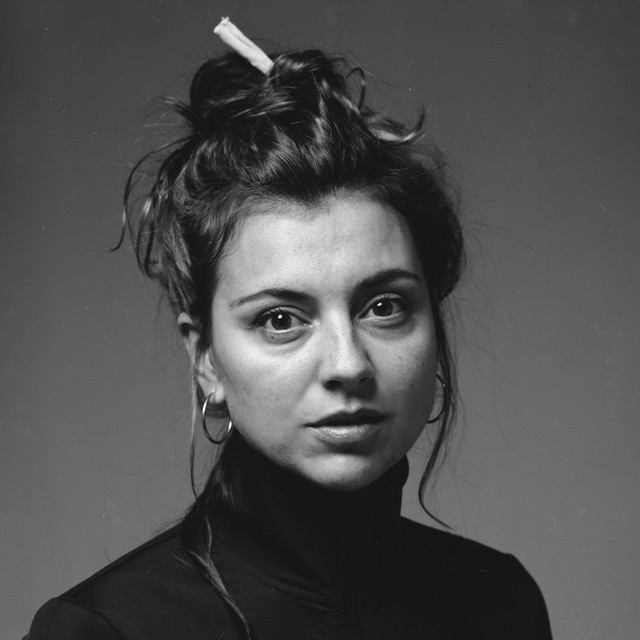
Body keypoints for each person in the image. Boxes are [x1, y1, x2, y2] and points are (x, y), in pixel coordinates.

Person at [26, 19, 552, 640]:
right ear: (206, 359)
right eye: (280, 319)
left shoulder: (500, 600)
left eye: (384, 307)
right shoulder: (105, 630)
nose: (348, 364)